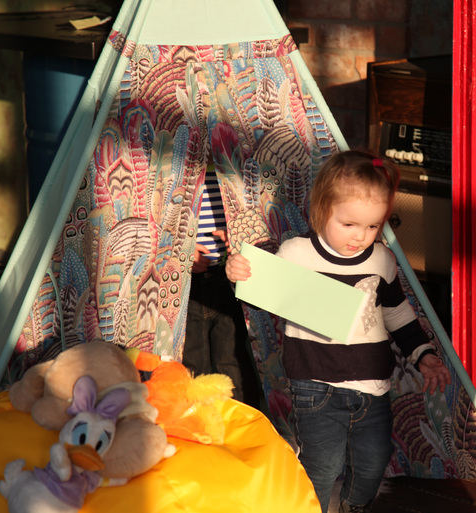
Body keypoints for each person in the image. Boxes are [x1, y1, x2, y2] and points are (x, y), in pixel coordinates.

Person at [226, 150, 451, 513]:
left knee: (372, 464)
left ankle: (354, 507)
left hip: (373, 386)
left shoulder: (381, 259)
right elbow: (262, 289)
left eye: (373, 226)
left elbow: (397, 313)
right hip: (315, 386)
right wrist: (239, 272)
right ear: (321, 209)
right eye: (349, 224)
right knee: (322, 466)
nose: (360, 236)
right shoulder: (295, 253)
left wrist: (423, 355)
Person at [182, 162, 260, 407]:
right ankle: (196, 421)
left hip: (228, 278)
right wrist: (183, 252)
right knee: (191, 362)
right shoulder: (177, 168)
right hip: (187, 284)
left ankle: (240, 422)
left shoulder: (229, 166)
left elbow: (246, 214)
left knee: (232, 361)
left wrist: (236, 237)